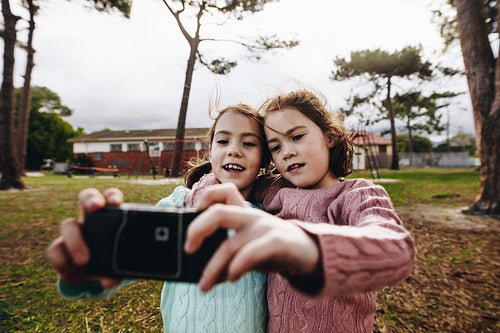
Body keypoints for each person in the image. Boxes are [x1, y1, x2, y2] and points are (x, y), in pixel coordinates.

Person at [184, 90, 416, 332]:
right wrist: (200, 200)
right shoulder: (275, 189)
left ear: (330, 136)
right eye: (275, 146)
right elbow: (225, 179)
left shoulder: (357, 194)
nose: (287, 152)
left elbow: (396, 250)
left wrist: (309, 249)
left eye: (296, 137)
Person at [46, 104, 271, 332]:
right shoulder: (179, 204)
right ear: (210, 150)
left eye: (249, 143)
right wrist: (92, 265)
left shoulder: (270, 221)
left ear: (264, 158)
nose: (234, 150)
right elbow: (131, 257)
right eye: (223, 141)